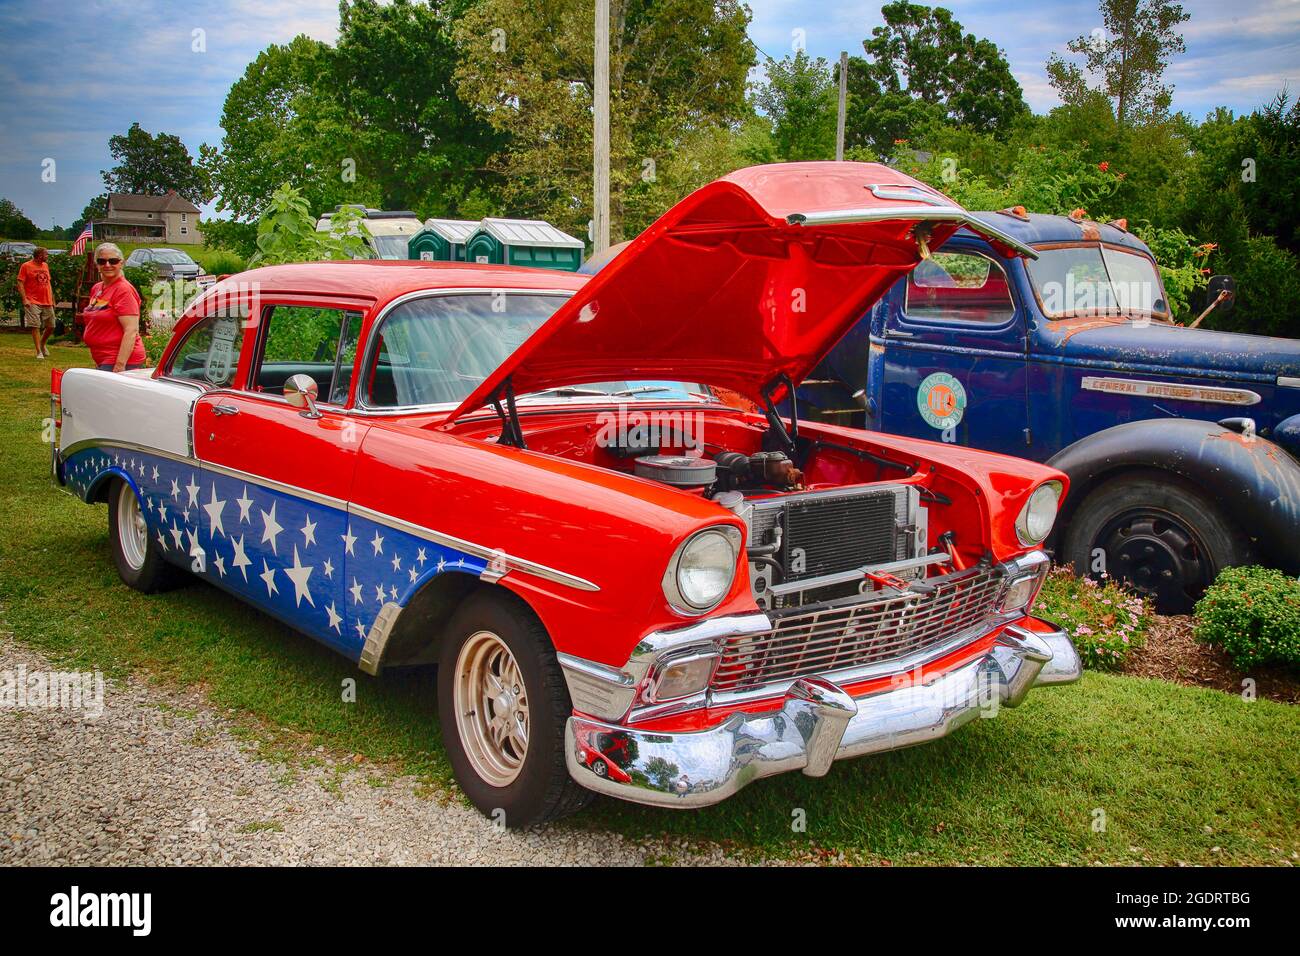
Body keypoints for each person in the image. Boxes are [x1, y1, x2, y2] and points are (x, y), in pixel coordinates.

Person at [79, 242, 146, 372]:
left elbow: (131, 330)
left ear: (121, 263)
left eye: (113, 261)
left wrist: (120, 365)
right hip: (103, 358)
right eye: (102, 261)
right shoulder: (97, 288)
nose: (107, 265)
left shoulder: (123, 290)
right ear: (96, 264)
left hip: (121, 360)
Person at [18, 247, 56, 359]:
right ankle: (39, 351)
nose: (47, 256)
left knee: (51, 325)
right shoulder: (26, 266)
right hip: (32, 300)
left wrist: (52, 298)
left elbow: (48, 283)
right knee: (35, 325)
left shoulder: (45, 266)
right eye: (46, 254)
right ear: (39, 255)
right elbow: (20, 283)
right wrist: (24, 299)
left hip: (46, 300)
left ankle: (42, 343)